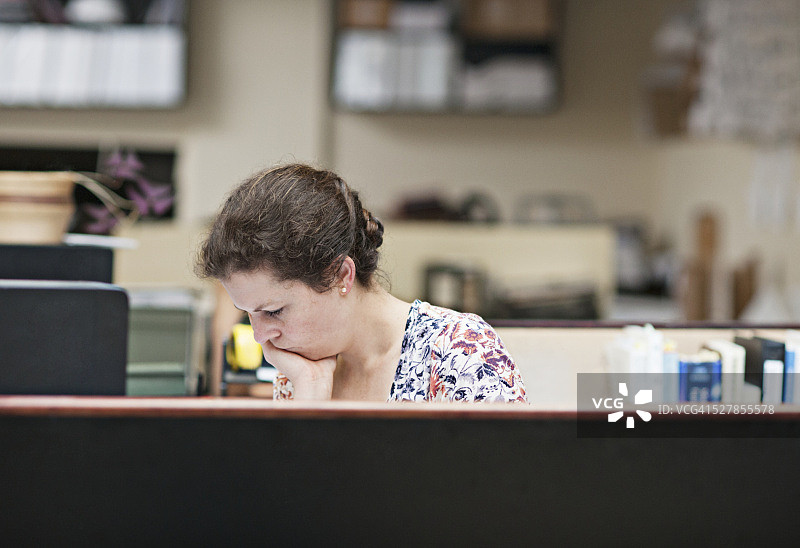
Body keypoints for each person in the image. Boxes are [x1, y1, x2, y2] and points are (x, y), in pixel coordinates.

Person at [196, 163, 527, 403]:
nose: (260, 336)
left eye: (274, 311)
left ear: (341, 275)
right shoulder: (300, 369)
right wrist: (310, 394)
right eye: (248, 313)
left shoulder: (461, 352)